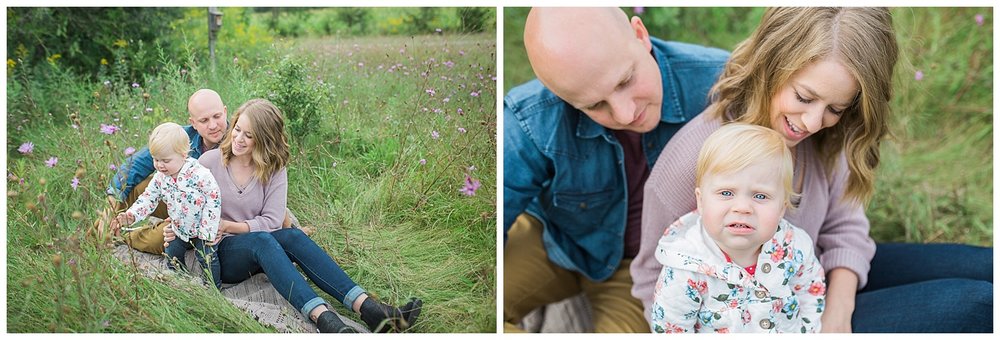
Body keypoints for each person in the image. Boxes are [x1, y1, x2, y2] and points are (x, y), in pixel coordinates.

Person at [631, 7, 992, 333]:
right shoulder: (696, 157)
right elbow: (652, 280)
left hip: (808, 285)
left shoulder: (823, 136)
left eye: (836, 108)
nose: (814, 122)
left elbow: (844, 226)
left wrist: (838, 310)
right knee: (977, 304)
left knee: (989, 268)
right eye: (804, 97)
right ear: (772, 65)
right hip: (762, 323)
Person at [503, 7, 729, 332]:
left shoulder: (721, 85)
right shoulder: (531, 119)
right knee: (472, 308)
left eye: (625, 81)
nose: (625, 114)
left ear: (640, 35)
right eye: (595, 105)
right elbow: (483, 230)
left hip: (644, 266)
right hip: (555, 240)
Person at [166, 98, 422, 333]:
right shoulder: (209, 162)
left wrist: (229, 225)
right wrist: (173, 226)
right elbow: (182, 202)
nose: (239, 139)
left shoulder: (274, 169)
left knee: (292, 236)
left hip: (250, 242)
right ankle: (325, 319)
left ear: (264, 140)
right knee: (264, 240)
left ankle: (371, 310)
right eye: (237, 129)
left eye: (249, 135)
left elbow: (273, 220)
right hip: (223, 253)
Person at [650, 123, 825, 333]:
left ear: (781, 208)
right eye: (726, 193)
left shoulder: (794, 247)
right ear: (701, 201)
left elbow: (811, 295)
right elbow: (672, 329)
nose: (742, 208)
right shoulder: (685, 270)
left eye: (760, 196)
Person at [107, 88, 228, 254]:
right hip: (178, 199)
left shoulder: (237, 141)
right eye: (204, 120)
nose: (213, 125)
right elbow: (135, 165)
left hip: (206, 213)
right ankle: (102, 231)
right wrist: (113, 199)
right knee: (137, 188)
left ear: (225, 112)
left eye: (217, 116)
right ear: (193, 122)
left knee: (161, 240)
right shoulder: (182, 137)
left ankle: (124, 237)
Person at [110, 122, 222, 289]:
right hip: (178, 226)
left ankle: (213, 286)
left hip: (202, 227)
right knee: (172, 252)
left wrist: (208, 230)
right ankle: (179, 277)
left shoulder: (200, 174)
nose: (160, 165)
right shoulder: (161, 177)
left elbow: (214, 197)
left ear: (183, 155)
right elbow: (148, 198)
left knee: (206, 256)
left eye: (166, 160)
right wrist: (132, 215)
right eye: (156, 160)